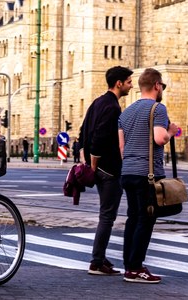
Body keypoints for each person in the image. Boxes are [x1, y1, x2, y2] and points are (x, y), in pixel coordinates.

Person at [118, 68, 178, 283]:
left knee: (133, 218)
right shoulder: (157, 108)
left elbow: (121, 148)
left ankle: (129, 265)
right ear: (157, 86)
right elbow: (160, 139)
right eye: (162, 86)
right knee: (146, 219)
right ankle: (135, 268)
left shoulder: (125, 112)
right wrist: (171, 131)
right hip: (147, 174)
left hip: (128, 173)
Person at [79, 66, 133, 275]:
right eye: (128, 81)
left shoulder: (97, 102)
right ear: (118, 83)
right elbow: (100, 137)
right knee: (107, 216)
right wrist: (93, 165)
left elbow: (84, 132)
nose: (130, 85)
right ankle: (96, 262)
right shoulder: (112, 107)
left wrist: (85, 159)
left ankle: (100, 256)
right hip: (109, 169)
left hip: (100, 167)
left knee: (105, 215)